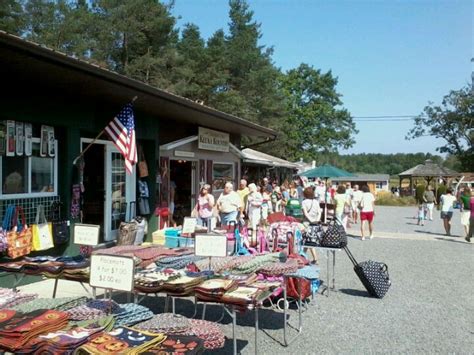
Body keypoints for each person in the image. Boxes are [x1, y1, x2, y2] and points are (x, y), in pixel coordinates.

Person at [301, 187, 322, 264]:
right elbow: (319, 212)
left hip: (307, 223)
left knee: (308, 241)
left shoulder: (304, 202)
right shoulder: (316, 201)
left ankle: (315, 258)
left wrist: (311, 220)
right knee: (307, 241)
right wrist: (316, 220)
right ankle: (302, 257)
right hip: (315, 223)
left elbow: (305, 213)